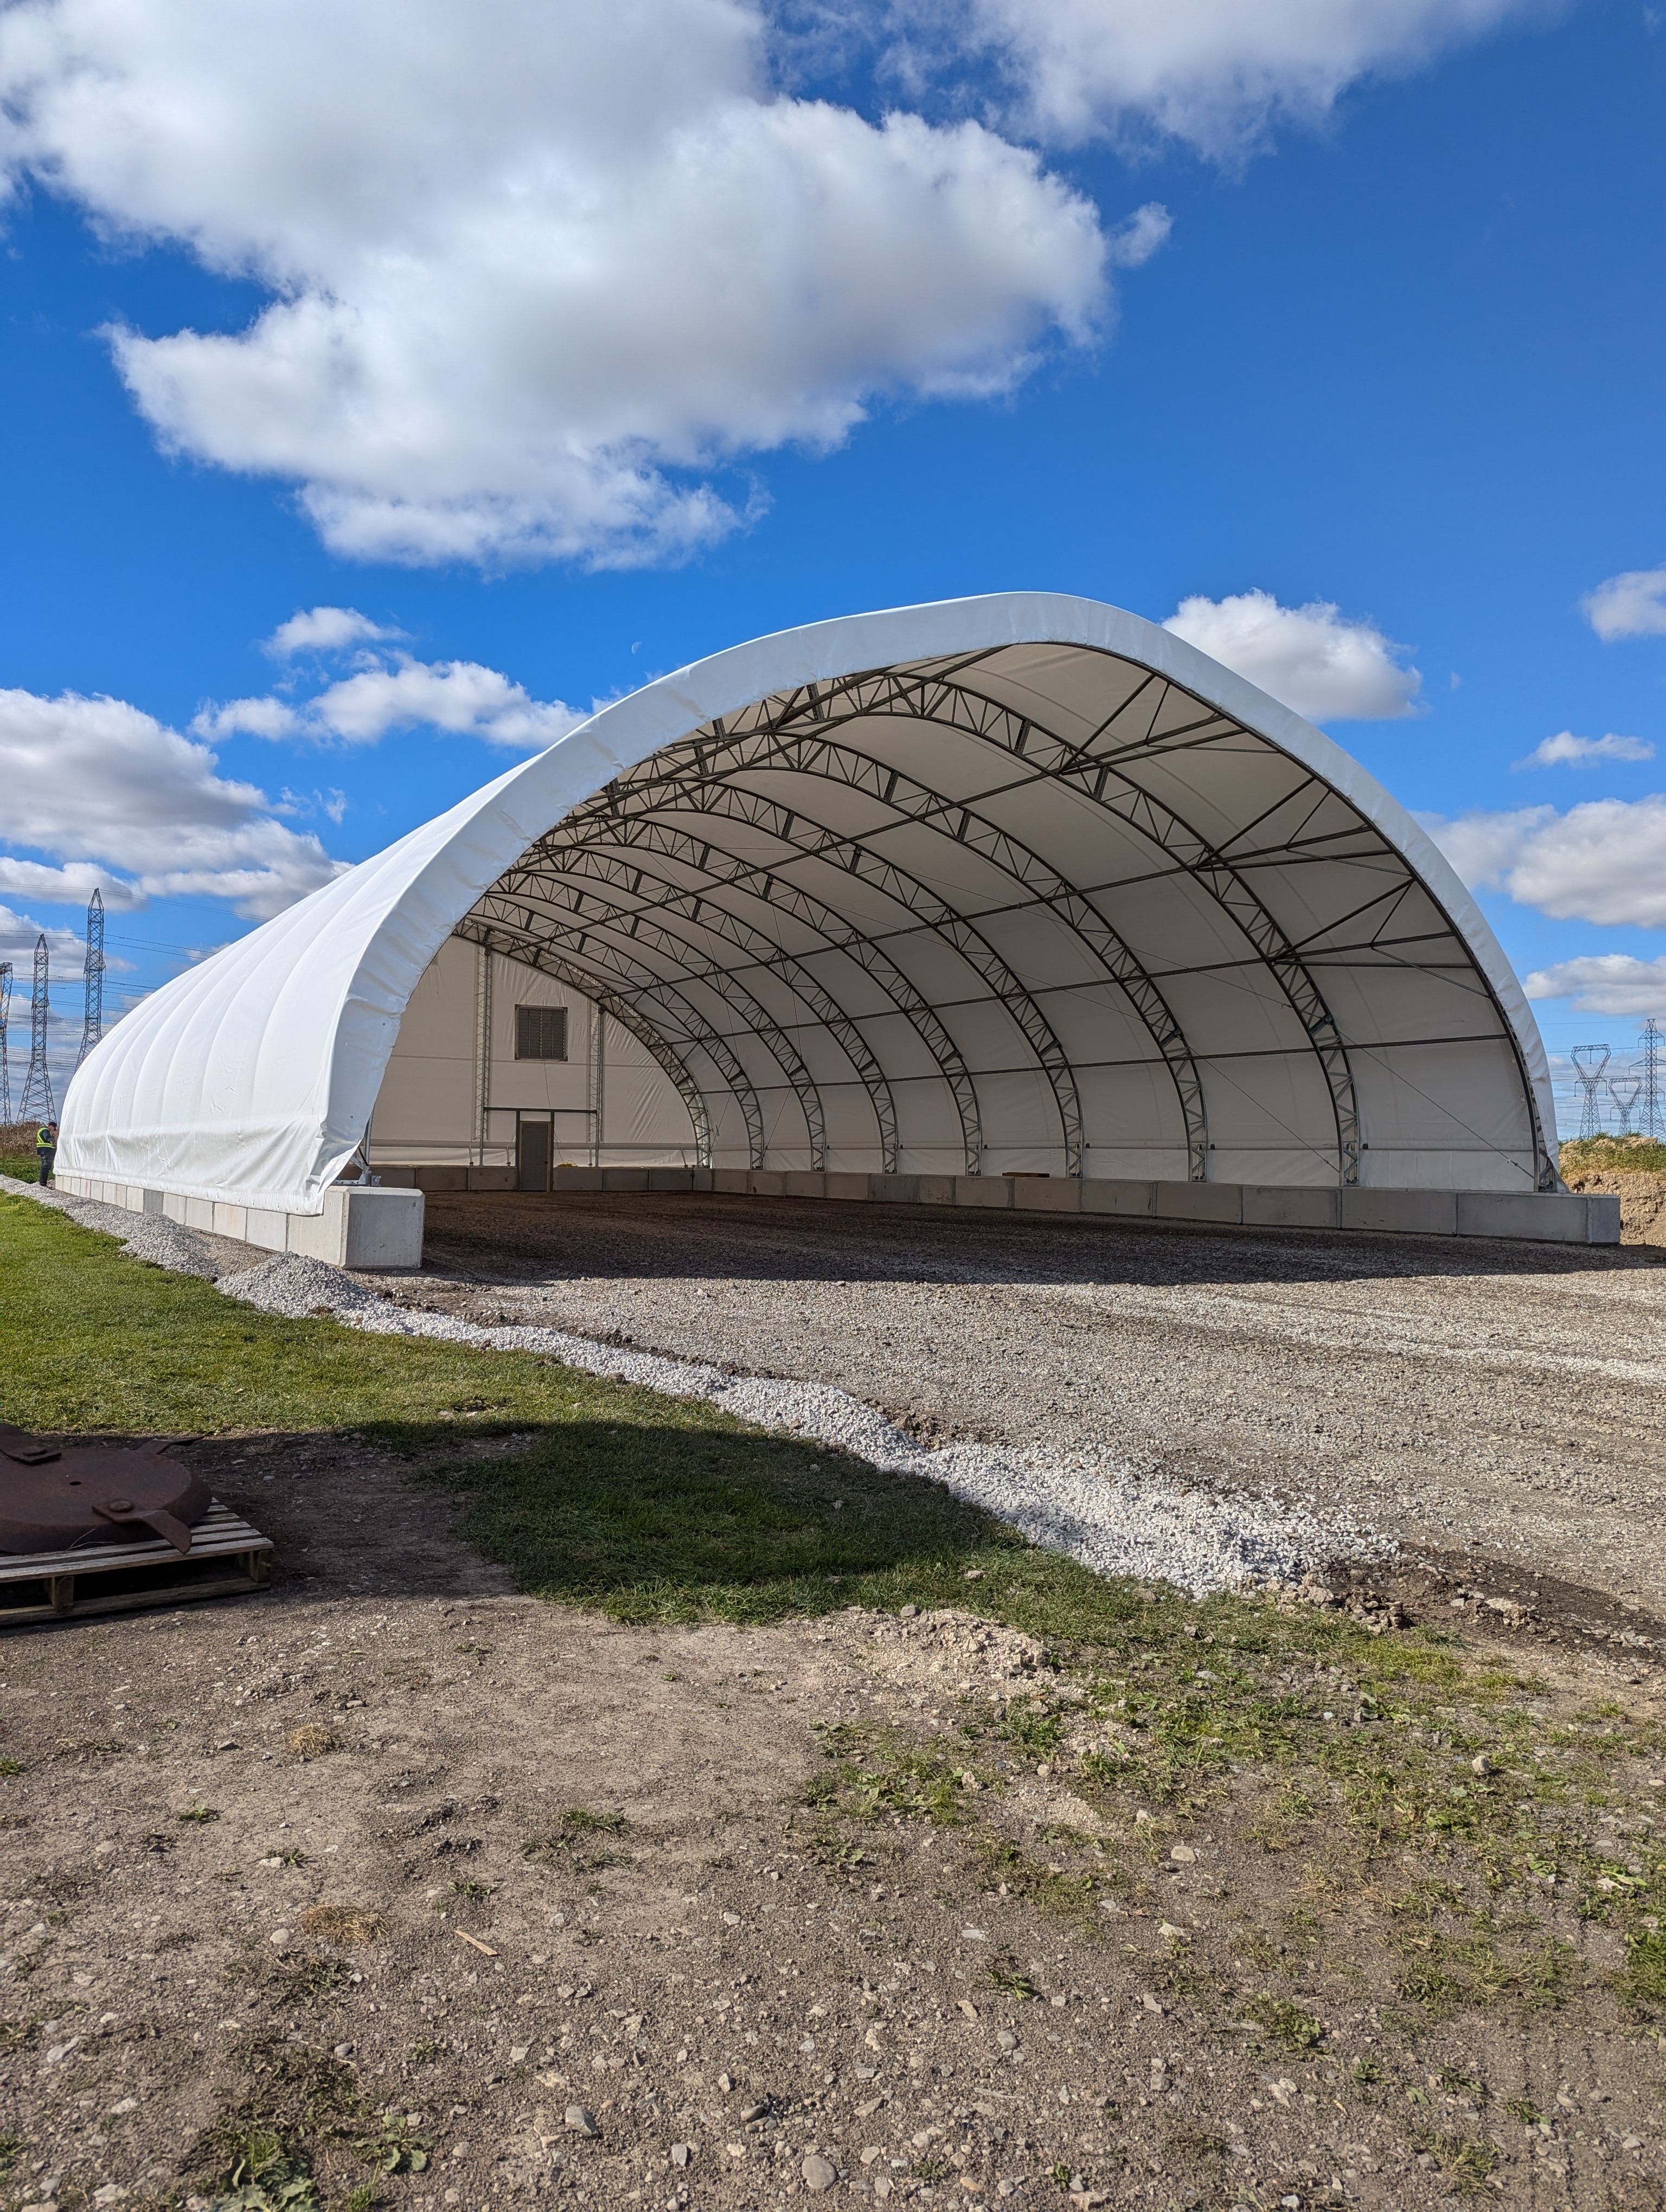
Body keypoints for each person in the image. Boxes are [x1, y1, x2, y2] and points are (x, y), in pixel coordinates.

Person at [35, 1120, 56, 1185]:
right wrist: (55, 1137)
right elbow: (48, 1138)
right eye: (53, 1129)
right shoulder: (45, 1130)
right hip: (46, 1151)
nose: (53, 1130)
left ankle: (43, 1182)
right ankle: (43, 1183)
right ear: (51, 1126)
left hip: (44, 1151)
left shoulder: (42, 1130)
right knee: (45, 1167)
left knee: (45, 1167)